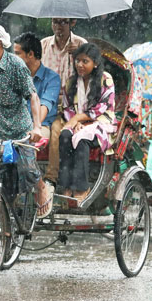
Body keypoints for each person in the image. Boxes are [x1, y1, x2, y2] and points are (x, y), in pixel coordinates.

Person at [0, 23, 51, 219]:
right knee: (1, 179)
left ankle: (41, 187)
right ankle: (5, 229)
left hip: (19, 128)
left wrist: (37, 127)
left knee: (27, 170)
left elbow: (32, 96)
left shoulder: (16, 65)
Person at [58, 42, 116, 204]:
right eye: (77, 61)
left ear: (95, 63)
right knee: (64, 136)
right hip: (77, 122)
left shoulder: (106, 79)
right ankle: (65, 185)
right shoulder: (71, 82)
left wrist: (78, 119)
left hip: (101, 123)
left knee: (82, 140)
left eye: (85, 61)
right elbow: (67, 107)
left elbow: (102, 107)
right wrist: (74, 121)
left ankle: (82, 187)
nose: (80, 65)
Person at [41, 18, 86, 186]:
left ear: (72, 23)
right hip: (47, 104)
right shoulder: (43, 45)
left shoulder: (81, 44)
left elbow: (91, 76)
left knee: (56, 132)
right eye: (55, 22)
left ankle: (51, 178)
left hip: (72, 106)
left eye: (63, 23)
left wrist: (79, 55)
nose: (58, 27)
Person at [12, 32, 61, 143]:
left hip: (41, 125)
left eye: (17, 54)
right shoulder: (14, 75)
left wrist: (35, 127)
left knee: (30, 139)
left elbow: (45, 105)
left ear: (31, 54)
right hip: (16, 125)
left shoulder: (52, 78)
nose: (13, 58)